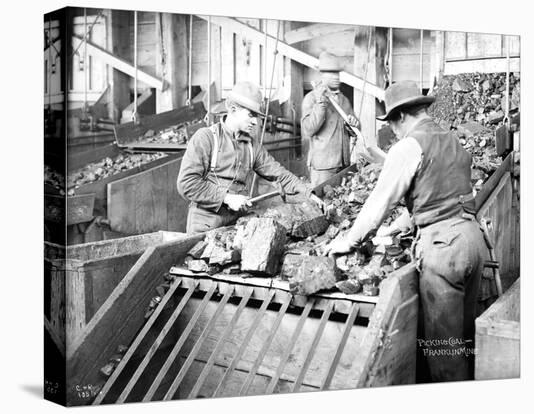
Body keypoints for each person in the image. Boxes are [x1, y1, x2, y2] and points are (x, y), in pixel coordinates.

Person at [324, 80, 487, 382]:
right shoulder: (450, 139)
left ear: (401, 116)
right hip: (472, 240)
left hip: (443, 251)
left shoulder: (409, 146)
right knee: (463, 341)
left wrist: (350, 240)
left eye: (392, 124)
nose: (393, 131)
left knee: (444, 355)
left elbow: (378, 202)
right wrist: (397, 226)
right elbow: (439, 195)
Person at [178, 81, 323, 234]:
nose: (255, 122)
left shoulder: (251, 146)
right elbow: (186, 184)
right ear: (233, 109)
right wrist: (227, 198)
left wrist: (308, 195)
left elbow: (281, 176)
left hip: (235, 224)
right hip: (205, 225)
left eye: (257, 116)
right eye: (250, 115)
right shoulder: (206, 138)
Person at [301, 51, 360, 187]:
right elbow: (308, 130)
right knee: (322, 203)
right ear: (322, 75)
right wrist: (320, 103)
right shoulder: (311, 98)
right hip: (323, 167)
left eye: (337, 73)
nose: (336, 77)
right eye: (331, 73)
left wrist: (354, 125)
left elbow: (354, 131)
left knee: (340, 203)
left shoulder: (344, 100)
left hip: (344, 163)